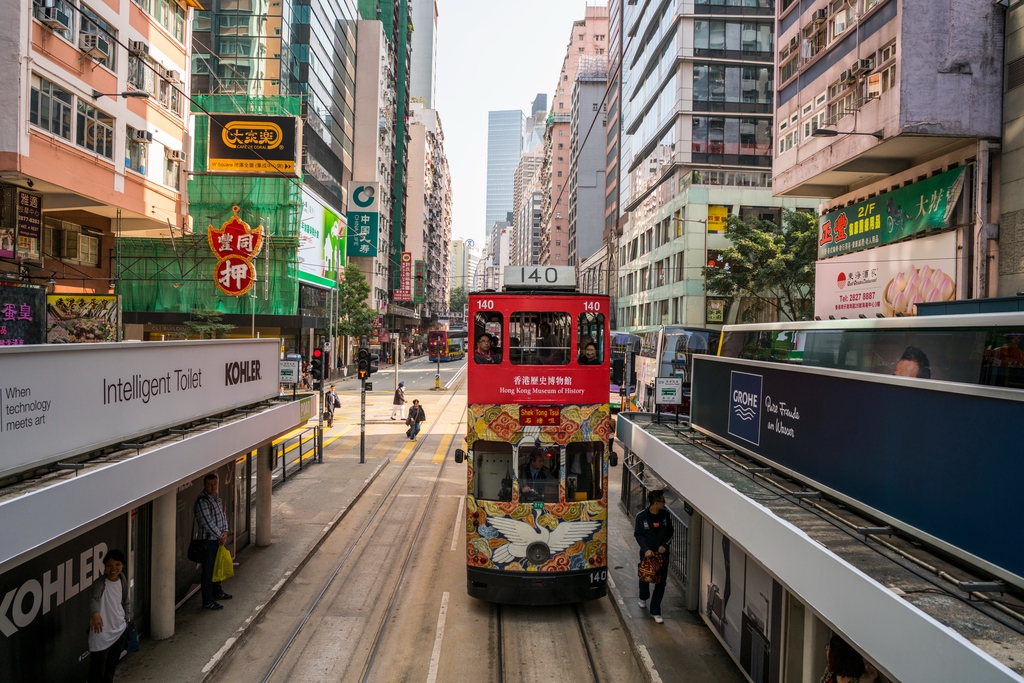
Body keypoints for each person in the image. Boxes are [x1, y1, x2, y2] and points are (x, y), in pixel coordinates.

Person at [87, 549, 130, 683]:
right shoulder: (100, 583)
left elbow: (125, 599)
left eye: (117, 564)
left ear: (122, 565)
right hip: (101, 631)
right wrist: (95, 614)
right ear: (105, 567)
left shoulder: (122, 579)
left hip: (119, 629)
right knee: (97, 669)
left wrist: (126, 619)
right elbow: (93, 599)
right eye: (110, 565)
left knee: (111, 666)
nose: (114, 568)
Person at [194, 473, 232, 610]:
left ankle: (218, 592)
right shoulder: (202, 501)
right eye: (210, 484)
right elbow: (207, 522)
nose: (213, 487)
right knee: (208, 572)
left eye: (215, 484)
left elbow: (223, 516)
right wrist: (220, 535)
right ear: (204, 485)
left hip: (218, 540)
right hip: (208, 542)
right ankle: (207, 600)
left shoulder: (217, 499)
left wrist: (226, 531)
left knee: (218, 567)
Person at [634, 489, 673, 624]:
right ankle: (643, 597)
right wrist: (646, 549)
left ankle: (655, 610)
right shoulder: (641, 517)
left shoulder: (665, 515)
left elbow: (670, 533)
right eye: (662, 501)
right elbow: (638, 534)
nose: (664, 503)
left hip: (662, 556)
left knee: (661, 582)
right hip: (647, 555)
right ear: (656, 503)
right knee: (645, 576)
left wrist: (664, 545)